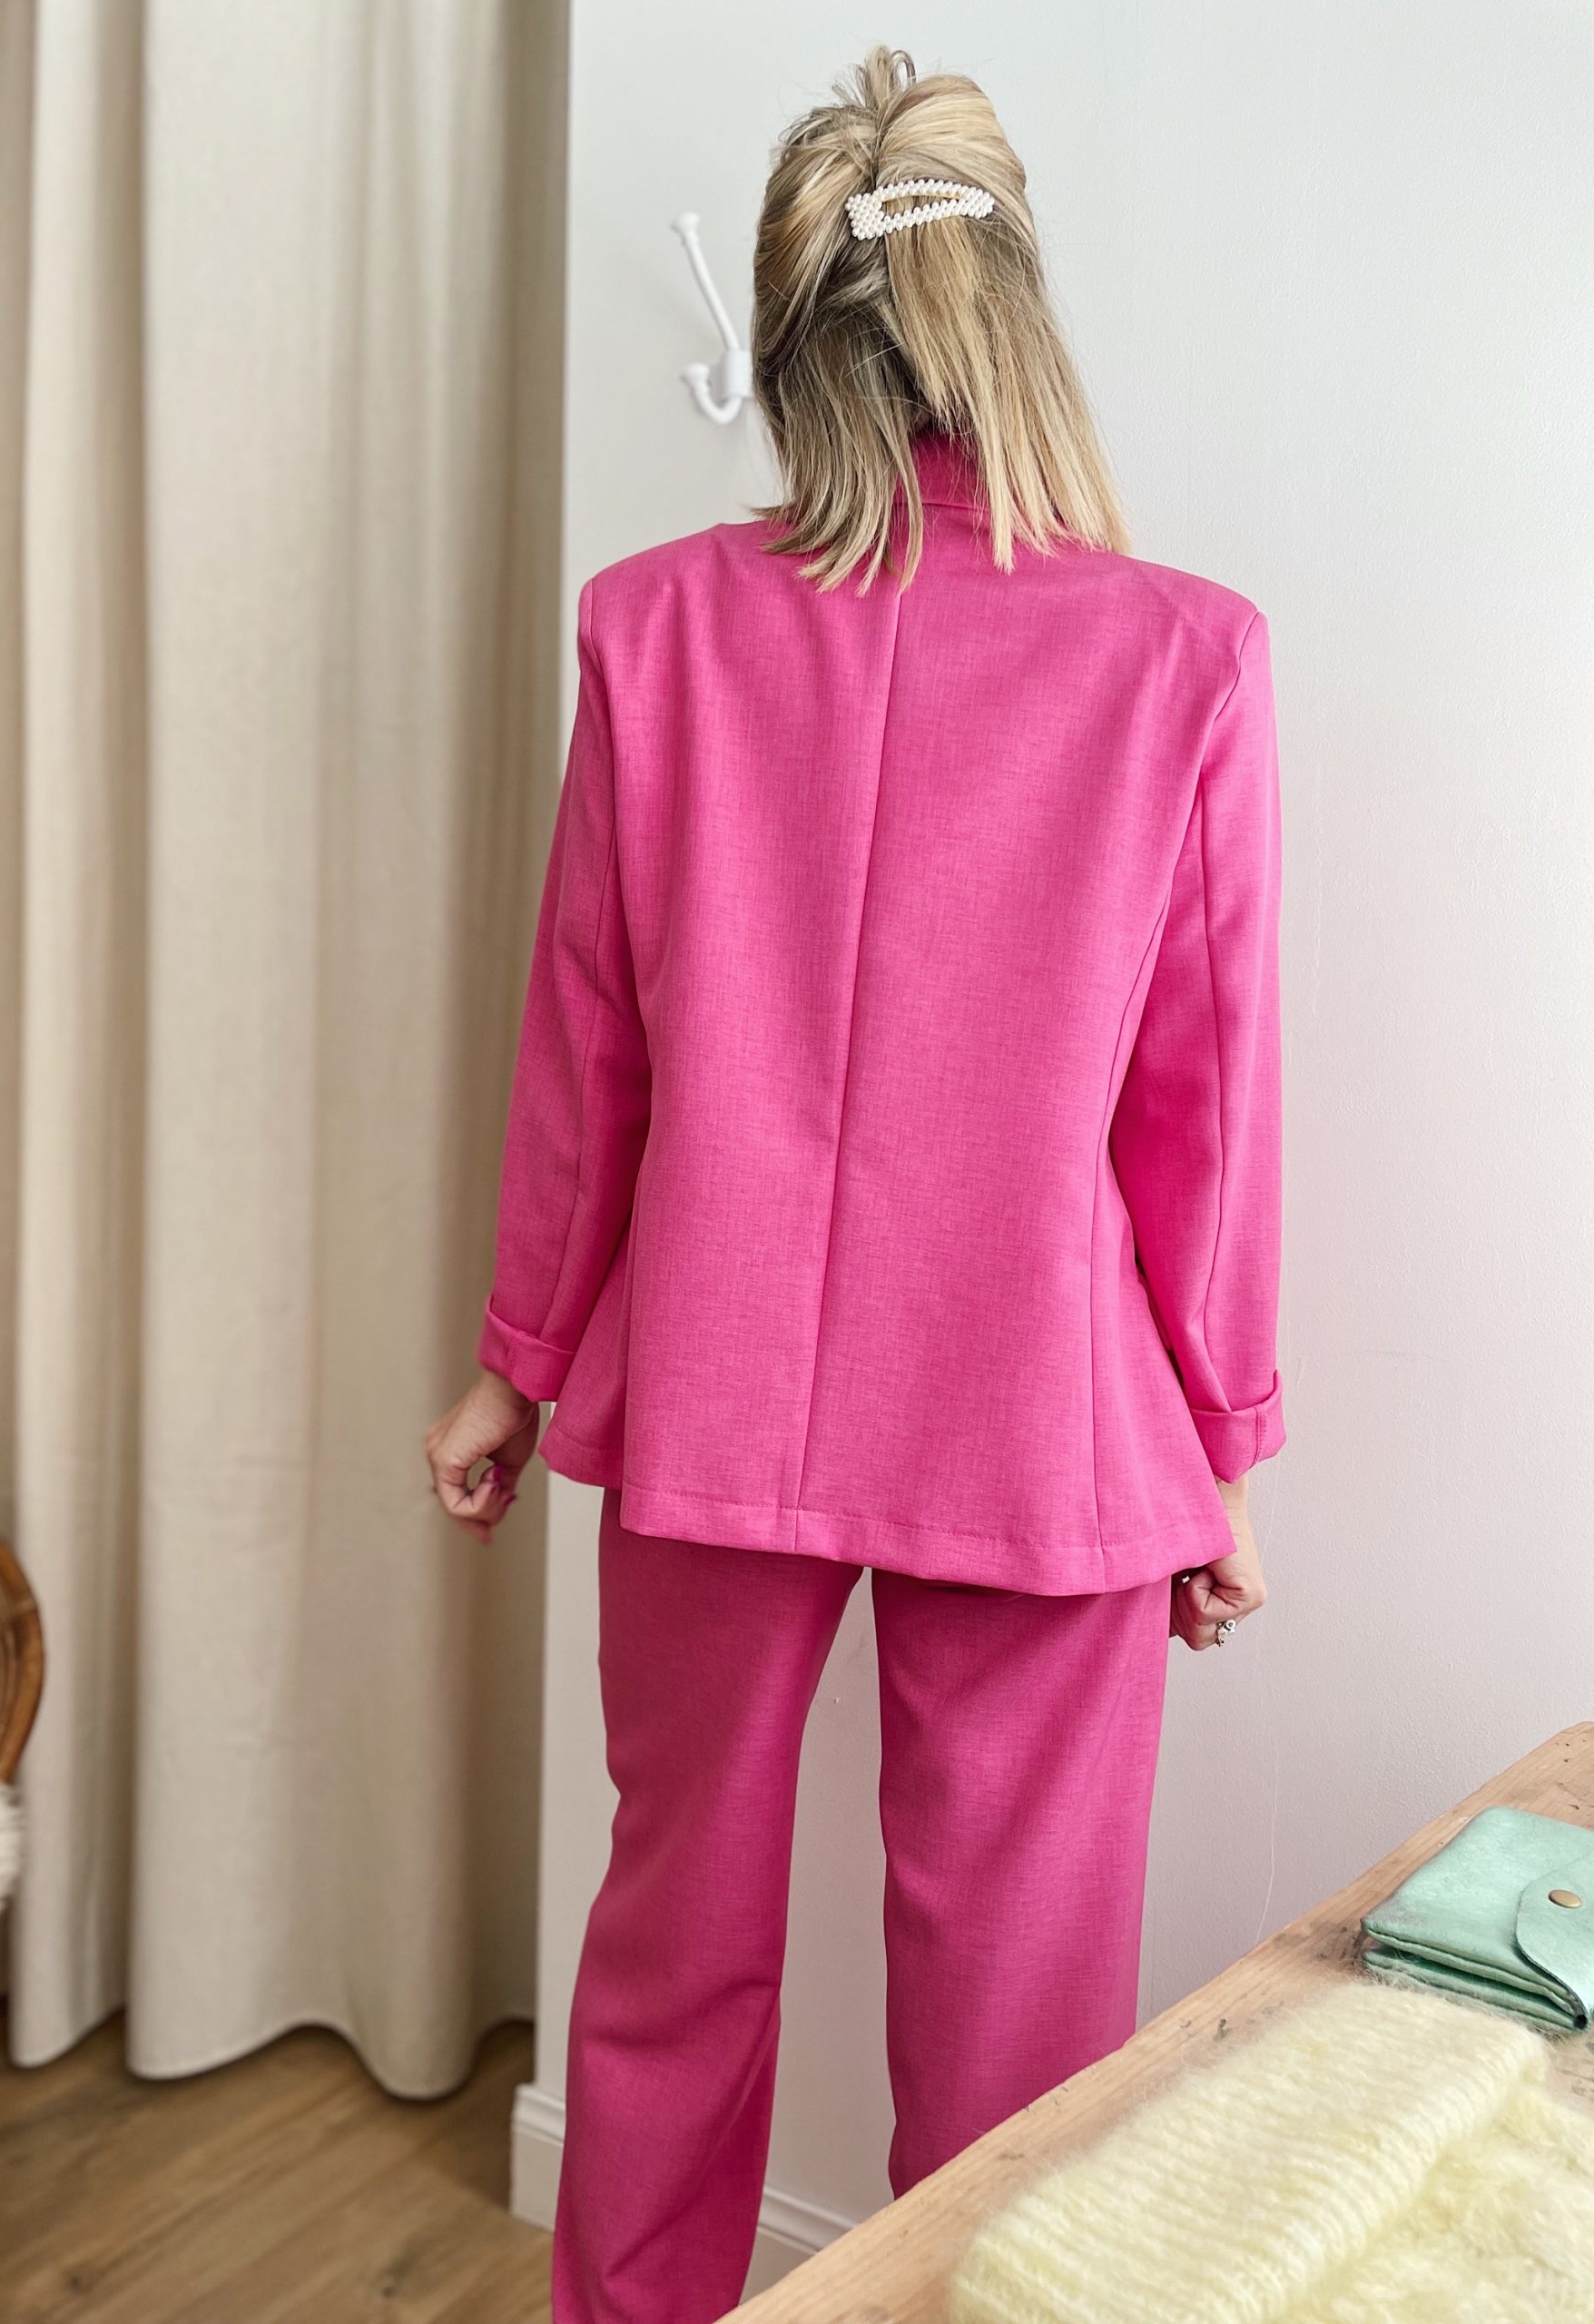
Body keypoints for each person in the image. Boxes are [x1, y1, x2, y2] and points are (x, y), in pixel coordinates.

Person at [426, 44, 1283, 2324]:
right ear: (1019, 311)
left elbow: (587, 1045)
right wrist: (1218, 1441)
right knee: (1022, 2029)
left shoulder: (655, 625)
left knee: (667, 1956)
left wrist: (520, 1357)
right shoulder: (1184, 653)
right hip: (1036, 1400)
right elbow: (1204, 1095)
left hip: (708, 1375)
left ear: (799, 341)